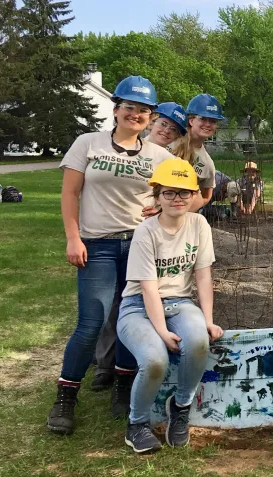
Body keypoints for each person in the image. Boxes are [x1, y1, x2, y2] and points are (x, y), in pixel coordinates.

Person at [47, 76, 176, 435]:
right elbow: (70, 194)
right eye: (130, 107)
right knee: (92, 322)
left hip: (140, 246)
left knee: (129, 320)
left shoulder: (160, 156)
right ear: (116, 109)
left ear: (151, 117)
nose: (136, 114)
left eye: (144, 110)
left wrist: (160, 206)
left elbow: (188, 194)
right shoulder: (87, 144)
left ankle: (123, 386)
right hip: (98, 245)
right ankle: (65, 397)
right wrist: (73, 238)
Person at [116, 158, 223, 453]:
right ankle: (136, 425)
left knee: (199, 340)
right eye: (169, 193)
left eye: (184, 192)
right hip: (138, 305)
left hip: (179, 302)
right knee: (155, 360)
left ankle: (180, 407)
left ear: (194, 195)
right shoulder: (146, 232)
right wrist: (162, 332)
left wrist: (208, 319)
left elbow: (203, 275)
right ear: (157, 196)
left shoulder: (199, 224)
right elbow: (149, 288)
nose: (177, 199)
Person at [91, 103, 191, 385]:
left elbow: (180, 197)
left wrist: (161, 209)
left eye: (173, 130)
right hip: (110, 234)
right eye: (163, 124)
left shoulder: (168, 161)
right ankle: (104, 364)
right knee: (109, 303)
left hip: (145, 237)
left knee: (134, 299)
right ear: (152, 122)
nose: (166, 131)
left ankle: (130, 364)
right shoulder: (125, 148)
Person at [168, 94, 224, 211]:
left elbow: (205, 196)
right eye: (203, 118)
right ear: (191, 120)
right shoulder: (170, 140)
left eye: (213, 121)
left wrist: (180, 211)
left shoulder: (207, 163)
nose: (208, 124)